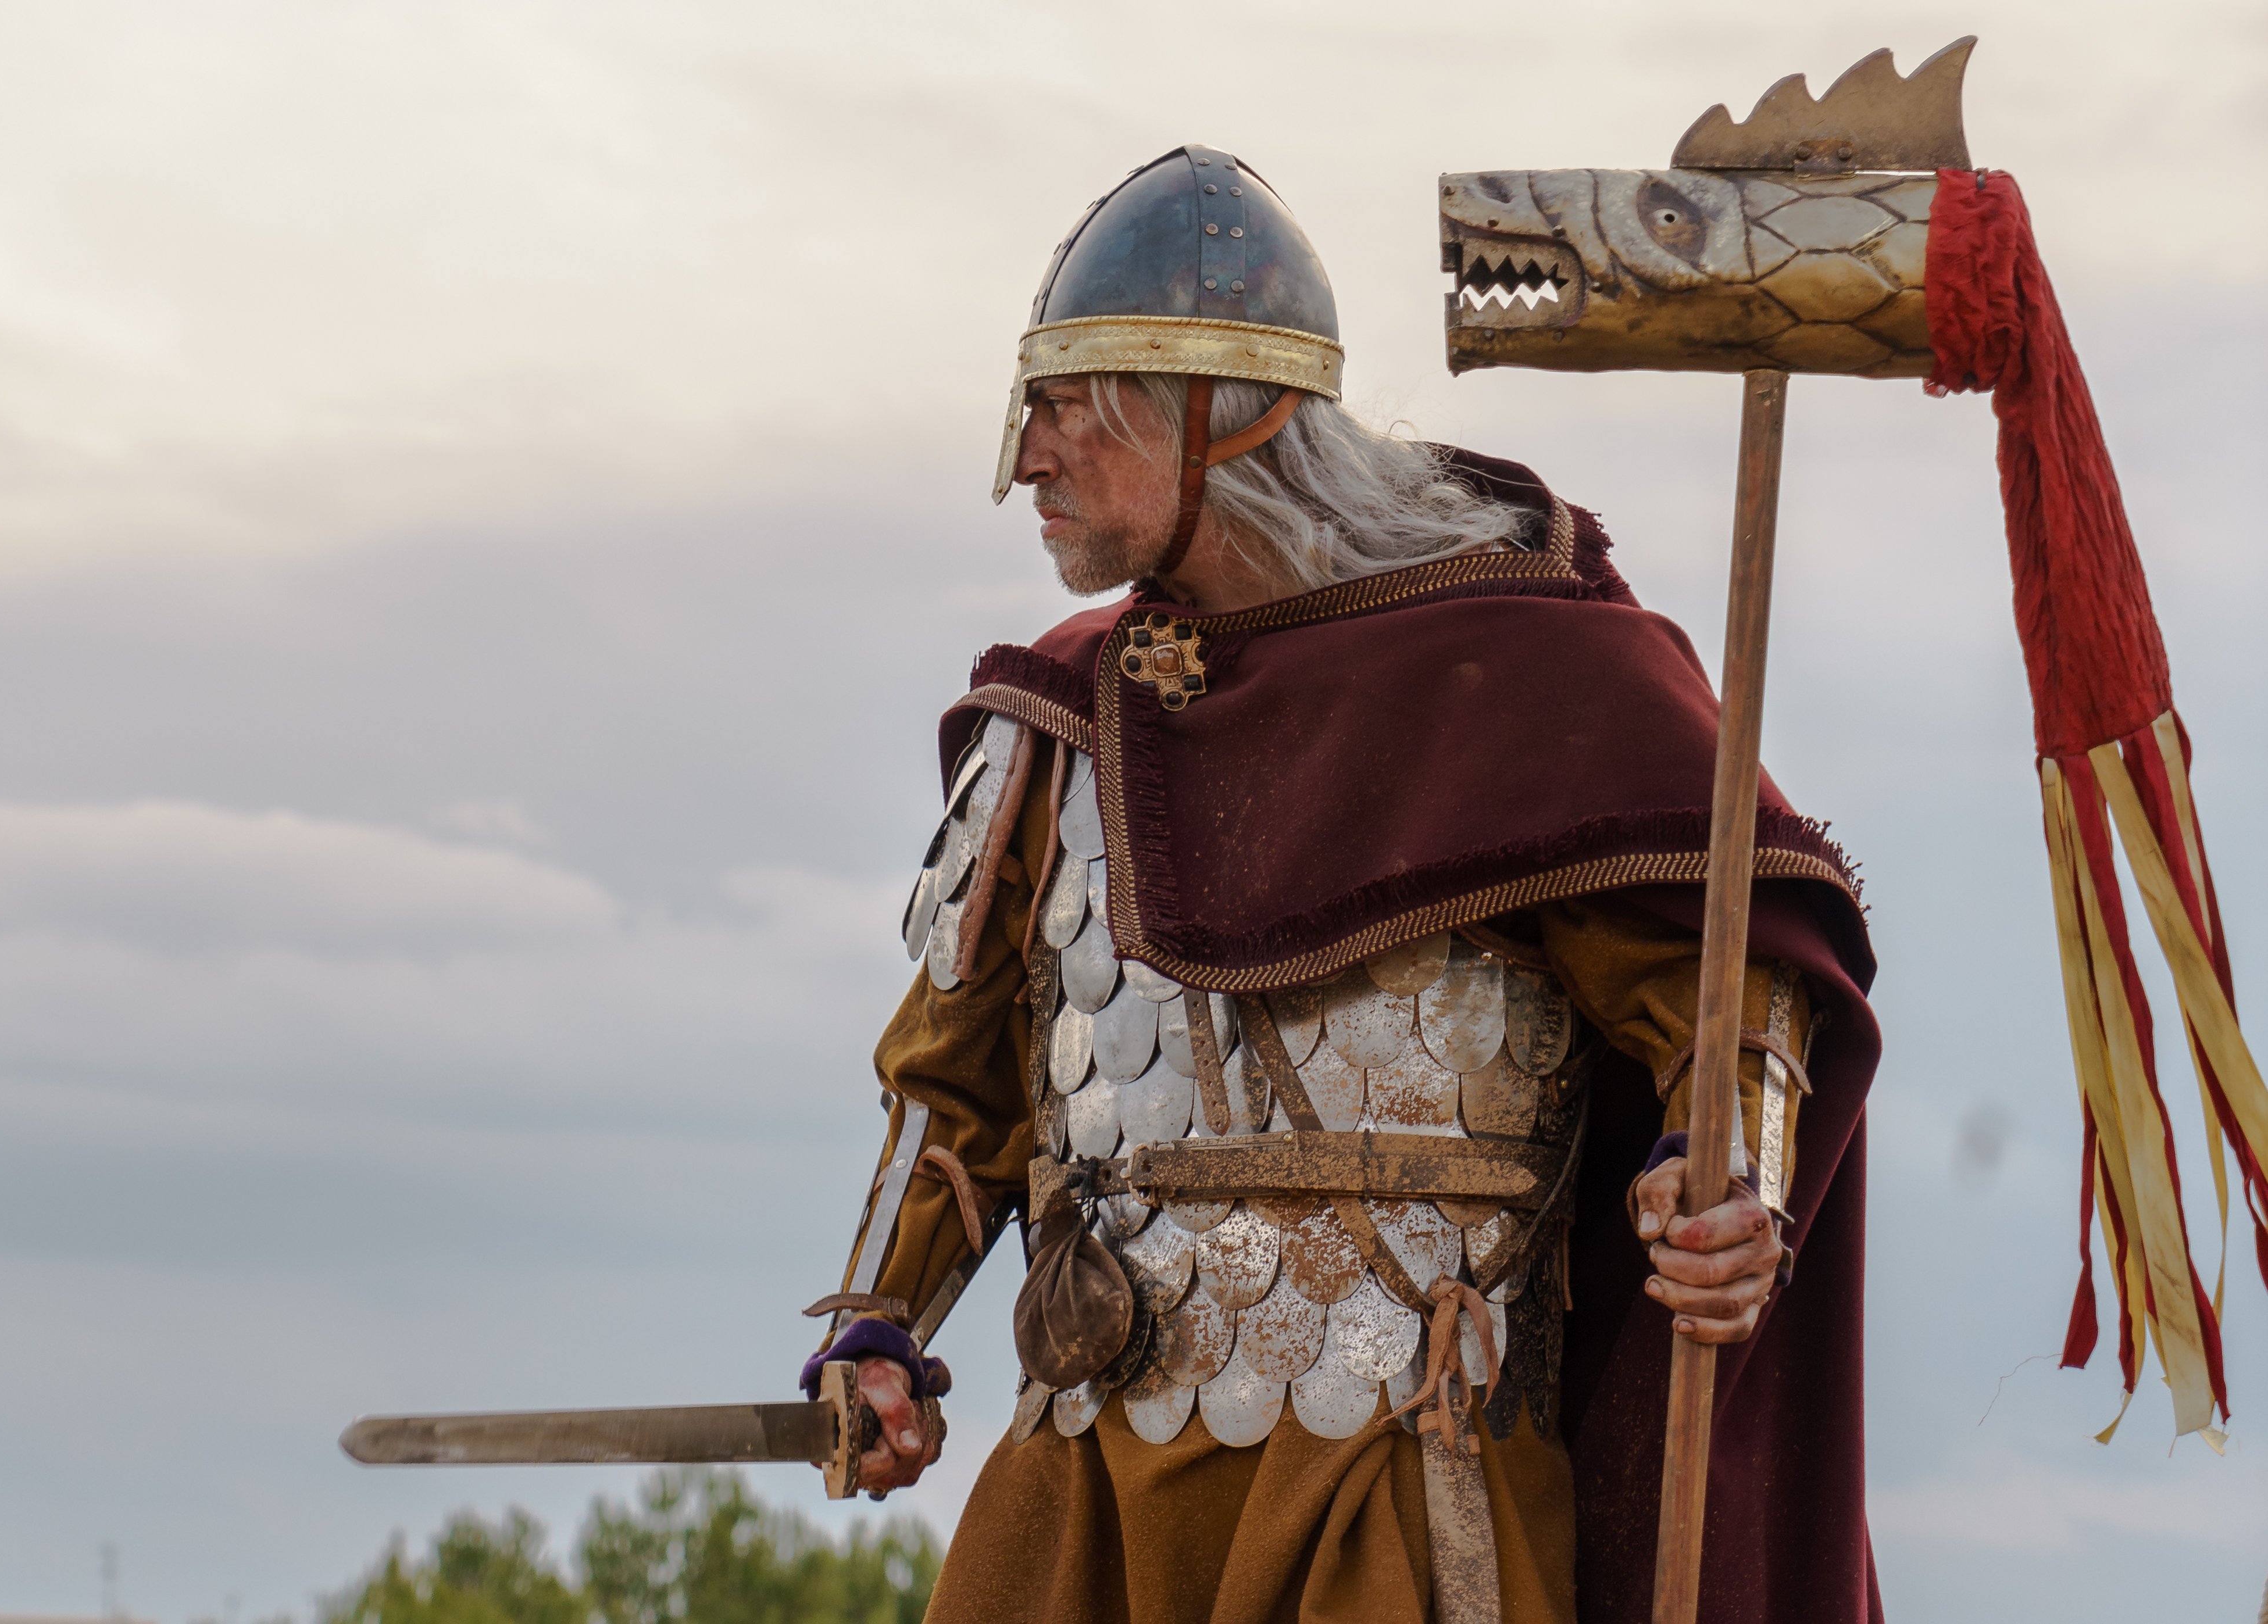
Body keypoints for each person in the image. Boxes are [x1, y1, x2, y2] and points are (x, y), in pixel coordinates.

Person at [798, 145, 1881, 1624]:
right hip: (1087, 1492)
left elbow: (1727, 984)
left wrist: (1723, 1171)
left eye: (1068, 405)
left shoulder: (1518, 681)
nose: (1029, 455)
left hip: (1398, 1471)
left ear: (1204, 416)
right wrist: (880, 1317)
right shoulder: (1060, 720)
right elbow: (956, 1087)